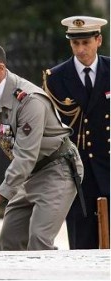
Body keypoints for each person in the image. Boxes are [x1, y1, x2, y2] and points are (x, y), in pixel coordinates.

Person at [0, 40, 84, 250]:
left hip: (57, 170)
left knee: (39, 241)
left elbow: (26, 156)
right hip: (29, 174)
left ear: (1, 68)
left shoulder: (29, 100)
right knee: (9, 241)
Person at [43, 16, 110, 249]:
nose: (80, 49)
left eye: (86, 43)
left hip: (108, 165)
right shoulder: (56, 78)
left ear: (98, 40)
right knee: (82, 244)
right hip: (76, 173)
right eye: (75, 43)